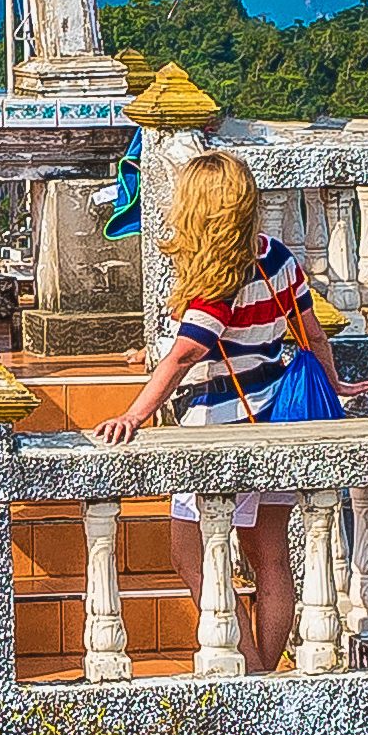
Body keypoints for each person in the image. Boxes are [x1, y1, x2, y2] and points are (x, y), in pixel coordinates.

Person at [89, 152, 335, 671]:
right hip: (280, 421)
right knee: (271, 559)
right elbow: (311, 336)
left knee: (192, 554)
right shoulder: (278, 260)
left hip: (222, 429)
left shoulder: (216, 286)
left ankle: (253, 669)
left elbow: (185, 354)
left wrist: (132, 415)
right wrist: (335, 386)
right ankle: (267, 669)